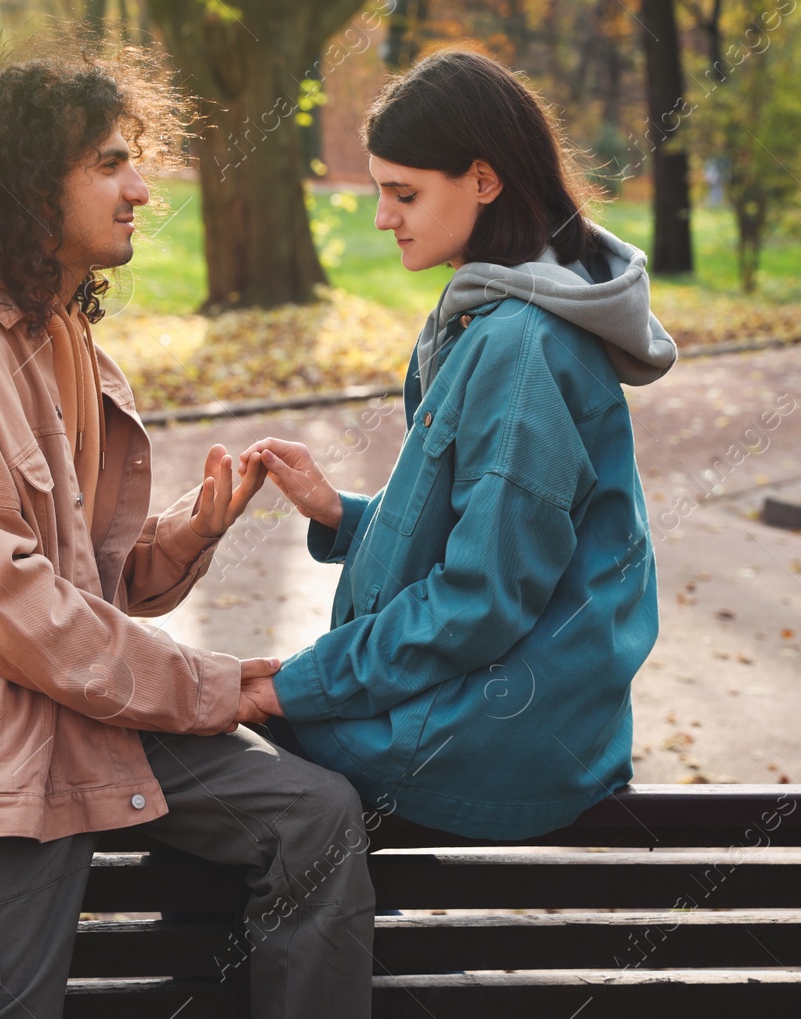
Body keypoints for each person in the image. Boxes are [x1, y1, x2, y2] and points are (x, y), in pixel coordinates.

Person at [0, 43, 374, 1019]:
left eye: (133, 161)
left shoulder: (51, 333)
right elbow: (16, 609)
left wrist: (189, 533)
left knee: (311, 817)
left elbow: (83, 585)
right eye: (109, 163)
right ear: (26, 186)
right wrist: (221, 685)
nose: (141, 188)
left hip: (67, 715)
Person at [240, 48, 677, 841]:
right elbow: (490, 534)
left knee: (230, 775)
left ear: (483, 179)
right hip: (520, 720)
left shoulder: (522, 344)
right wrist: (345, 514)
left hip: (495, 734)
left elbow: (481, 598)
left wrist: (300, 686)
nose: (382, 216)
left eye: (402, 193)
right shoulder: (493, 312)